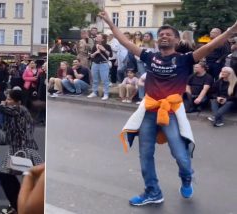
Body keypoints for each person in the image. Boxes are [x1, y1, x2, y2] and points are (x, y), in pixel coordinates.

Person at [98, 10, 237, 205]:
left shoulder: (185, 59)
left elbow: (212, 45)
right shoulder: (149, 56)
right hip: (149, 112)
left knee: (180, 155)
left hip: (171, 113)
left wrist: (231, 31)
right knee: (145, 154)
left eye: (168, 34)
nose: (164, 36)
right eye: (161, 34)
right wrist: (110, 24)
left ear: (177, 40)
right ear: (157, 40)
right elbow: (126, 43)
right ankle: (153, 191)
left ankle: (187, 178)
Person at [0, 89, 44, 214]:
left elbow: (3, 109)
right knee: (15, 177)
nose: (6, 101)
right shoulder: (18, 111)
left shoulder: (19, 110)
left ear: (18, 102)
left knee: (11, 178)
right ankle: (16, 204)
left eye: (9, 99)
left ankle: (20, 206)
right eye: (7, 98)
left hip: (22, 150)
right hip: (18, 148)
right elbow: (10, 130)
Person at [87, 33, 112, 100]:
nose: (97, 37)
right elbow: (91, 56)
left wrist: (104, 49)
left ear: (103, 39)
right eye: (97, 36)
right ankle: (94, 92)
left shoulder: (107, 46)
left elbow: (110, 55)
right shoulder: (95, 46)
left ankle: (106, 93)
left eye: (99, 37)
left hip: (103, 64)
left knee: (105, 80)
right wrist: (96, 52)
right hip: (95, 64)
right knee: (95, 79)